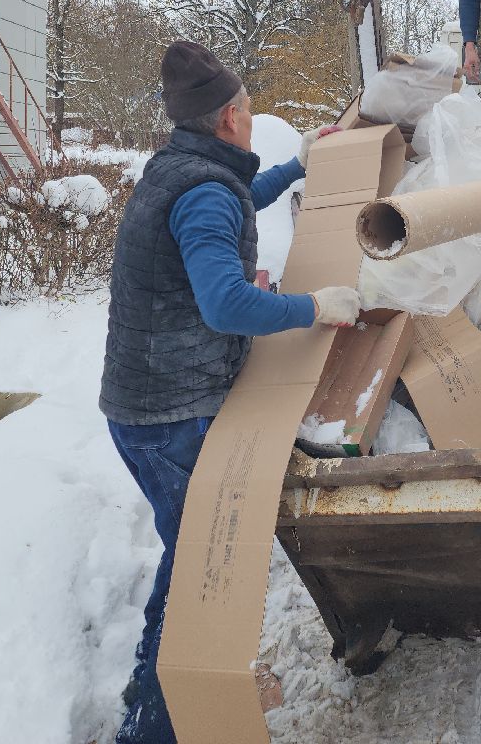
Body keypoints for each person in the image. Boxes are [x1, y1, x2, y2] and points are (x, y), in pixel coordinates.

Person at [99, 40, 360, 744]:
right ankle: (155, 726)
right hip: (169, 416)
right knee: (194, 578)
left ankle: (152, 694)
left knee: (184, 561)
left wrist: (300, 164)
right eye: (246, 107)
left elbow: (238, 198)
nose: (249, 114)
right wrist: (314, 307)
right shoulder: (205, 191)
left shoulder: (181, 168)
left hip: (145, 405)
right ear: (228, 120)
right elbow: (224, 304)